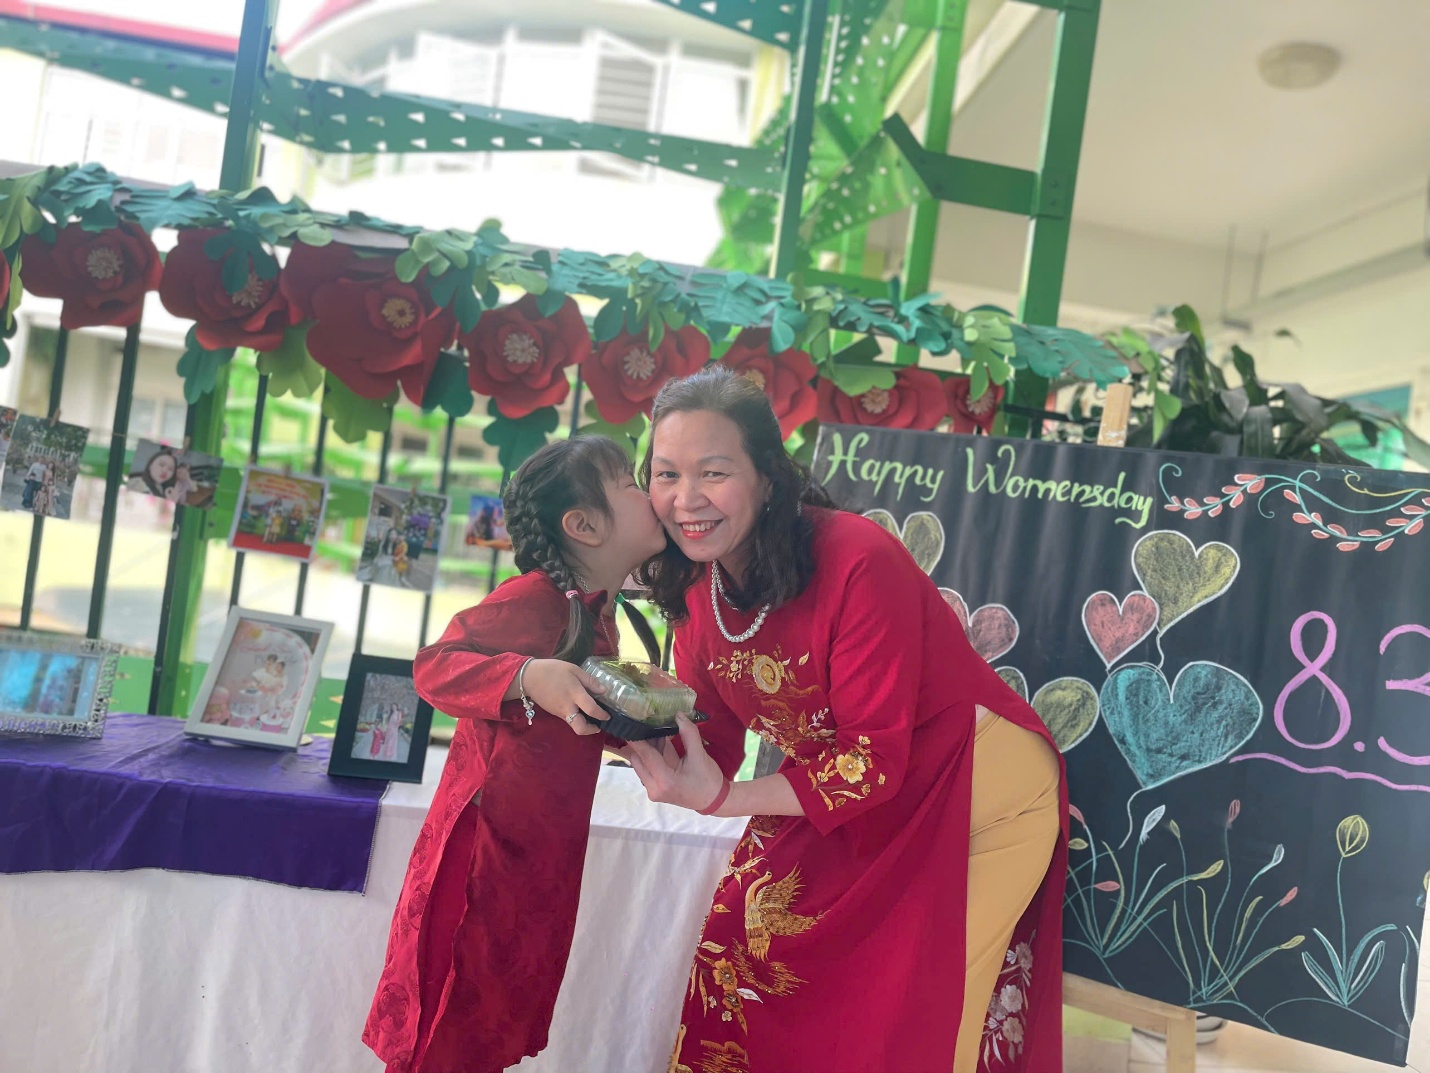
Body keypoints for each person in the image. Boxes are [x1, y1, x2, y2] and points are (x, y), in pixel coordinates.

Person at [620, 367, 1068, 1073]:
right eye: (666, 474)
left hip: (978, 791)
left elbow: (870, 762)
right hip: (857, 786)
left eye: (714, 472)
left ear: (768, 478)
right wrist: (616, 717)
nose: (686, 499)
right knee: (744, 943)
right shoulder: (699, 587)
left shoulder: (858, 558)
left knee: (914, 1015)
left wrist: (724, 798)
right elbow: (712, 742)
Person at [362, 436, 679, 1073]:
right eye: (631, 483)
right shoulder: (533, 598)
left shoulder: (597, 613)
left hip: (535, 857)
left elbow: (575, 716)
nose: (651, 493)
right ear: (584, 526)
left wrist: (641, 714)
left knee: (492, 1019)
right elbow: (434, 666)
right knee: (448, 1022)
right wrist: (528, 676)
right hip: (481, 856)